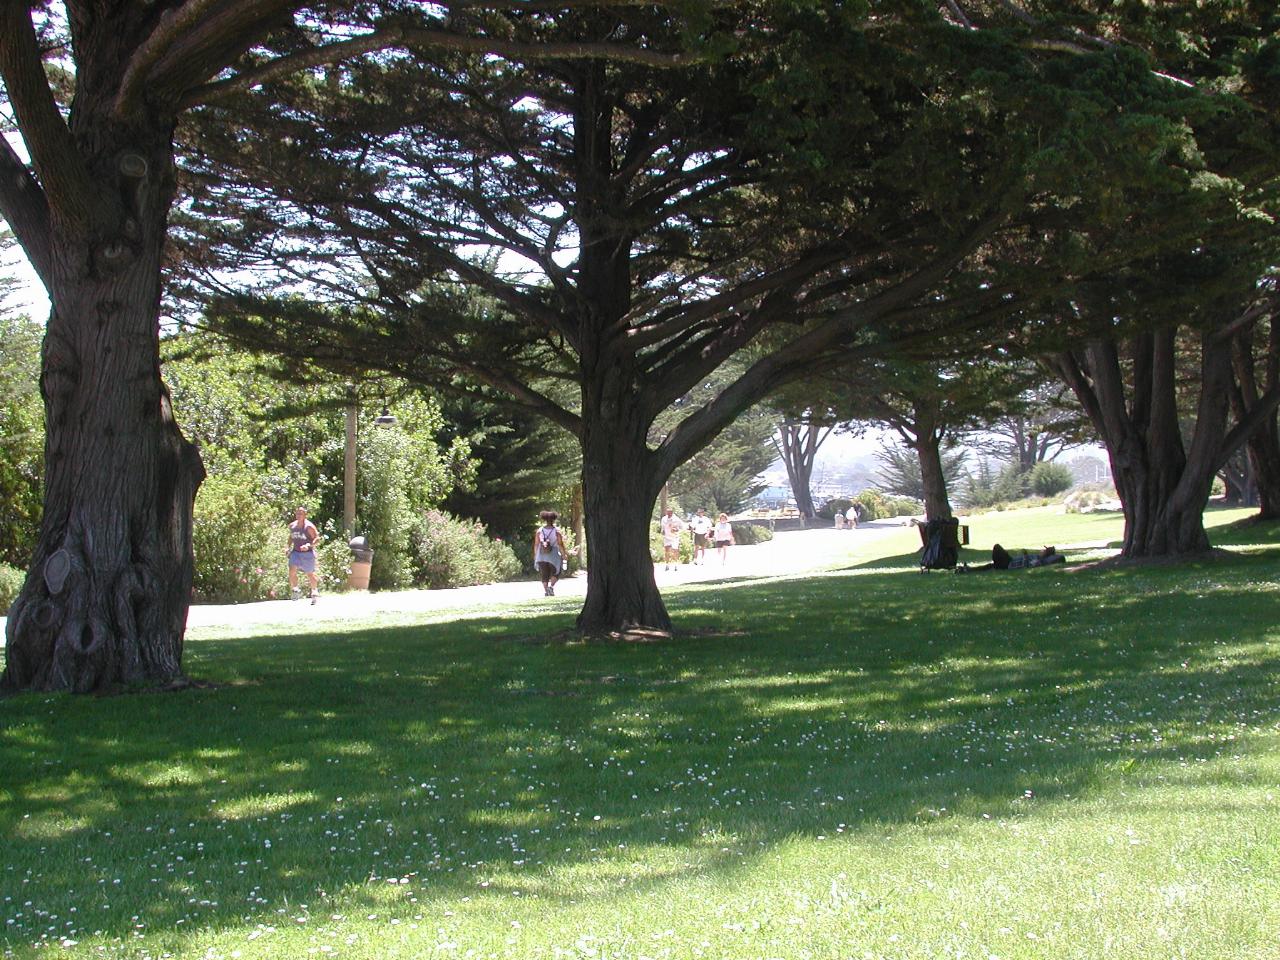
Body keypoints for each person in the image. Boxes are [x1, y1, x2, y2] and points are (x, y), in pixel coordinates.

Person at [287, 506, 320, 603]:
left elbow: (317, 539)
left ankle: (314, 591)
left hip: (307, 553)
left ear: (305, 515)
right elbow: (291, 537)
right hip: (296, 552)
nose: (299, 515)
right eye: (297, 513)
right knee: (292, 570)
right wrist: (287, 547)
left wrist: (309, 545)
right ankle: (295, 589)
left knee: (310, 573)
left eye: (301, 513)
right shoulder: (292, 526)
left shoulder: (309, 527)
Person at [533, 509, 567, 596]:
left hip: (541, 555)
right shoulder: (557, 531)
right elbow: (560, 544)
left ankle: (546, 591)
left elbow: (536, 544)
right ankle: (551, 587)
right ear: (554, 519)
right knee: (556, 571)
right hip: (553, 555)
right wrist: (564, 555)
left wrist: (536, 555)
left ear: (544, 519)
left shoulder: (539, 531)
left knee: (544, 573)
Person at [660, 506, 683, 571]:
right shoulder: (664, 519)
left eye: (670, 512)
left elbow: (682, 527)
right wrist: (663, 531)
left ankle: (676, 564)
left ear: (672, 512)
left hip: (674, 537)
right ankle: (667, 565)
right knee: (667, 550)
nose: (668, 513)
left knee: (675, 550)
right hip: (667, 537)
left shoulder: (677, 519)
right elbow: (663, 527)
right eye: (667, 512)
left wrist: (676, 529)